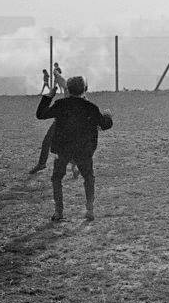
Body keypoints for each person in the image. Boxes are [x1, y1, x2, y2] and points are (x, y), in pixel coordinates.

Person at [36, 75, 112, 221]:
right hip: (84, 150)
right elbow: (104, 125)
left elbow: (41, 114)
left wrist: (48, 97)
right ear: (84, 89)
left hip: (63, 149)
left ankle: (59, 212)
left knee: (57, 178)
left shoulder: (60, 104)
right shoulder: (91, 107)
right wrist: (108, 116)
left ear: (68, 90)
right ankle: (90, 209)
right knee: (88, 177)